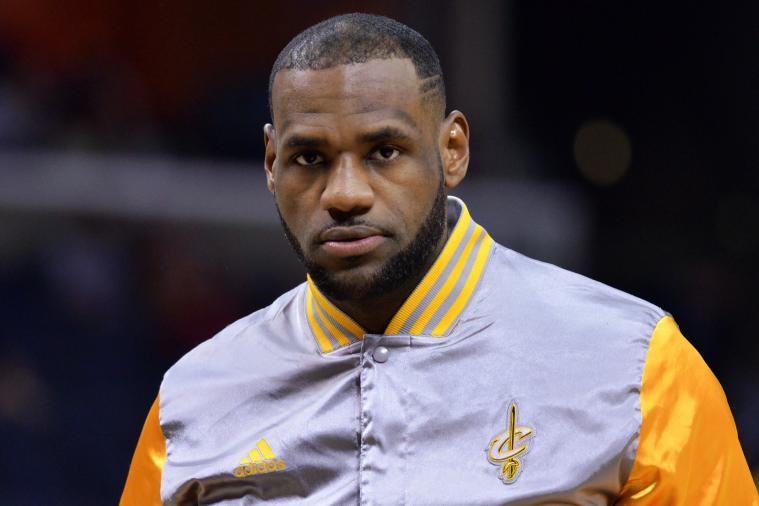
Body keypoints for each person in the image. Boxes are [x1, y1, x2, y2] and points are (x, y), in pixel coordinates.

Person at [121, 13, 757, 505]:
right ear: (270, 164)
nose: (345, 193)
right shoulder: (195, 402)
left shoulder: (633, 368)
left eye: (384, 151)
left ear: (452, 149)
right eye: (309, 158)